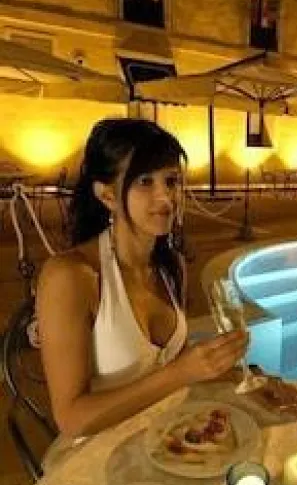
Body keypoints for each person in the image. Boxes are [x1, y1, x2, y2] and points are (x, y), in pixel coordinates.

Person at [37, 118, 248, 440]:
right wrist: (181, 373)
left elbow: (174, 363)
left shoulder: (170, 266)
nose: (165, 197)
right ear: (107, 194)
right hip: (98, 451)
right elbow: (71, 419)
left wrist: (241, 374)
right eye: (145, 181)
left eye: (171, 181)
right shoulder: (71, 277)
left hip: (168, 436)